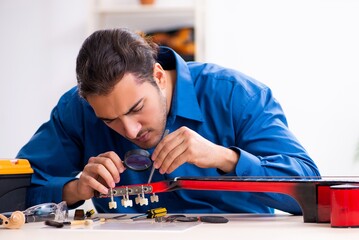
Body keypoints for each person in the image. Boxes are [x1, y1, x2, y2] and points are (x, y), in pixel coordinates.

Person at [17, 28, 320, 214]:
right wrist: (75, 189)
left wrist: (225, 158)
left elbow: (312, 191)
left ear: (159, 77)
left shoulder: (237, 96)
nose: (130, 131)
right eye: (110, 121)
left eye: (137, 108)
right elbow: (13, 191)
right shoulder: (77, 109)